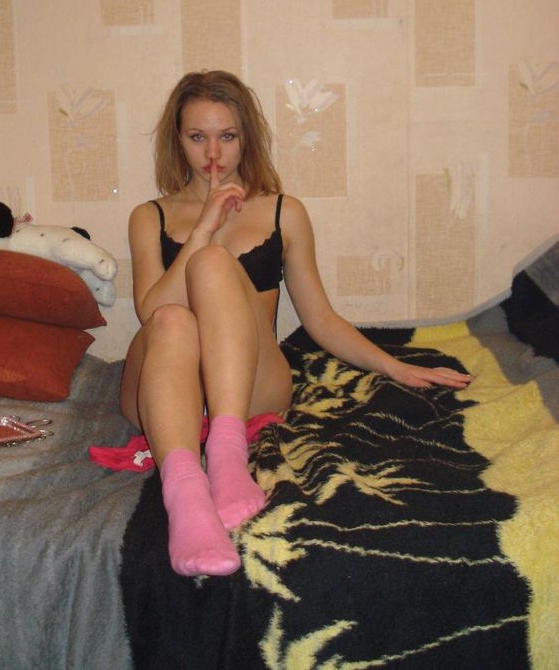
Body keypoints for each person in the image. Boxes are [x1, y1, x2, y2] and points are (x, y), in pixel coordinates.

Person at [120, 70, 470, 578]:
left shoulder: (283, 212)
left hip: (251, 385)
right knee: (174, 316)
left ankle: (226, 453)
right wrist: (203, 230)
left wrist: (393, 366)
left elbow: (319, 317)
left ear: (246, 137)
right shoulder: (149, 216)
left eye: (227, 136)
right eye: (197, 136)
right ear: (178, 140)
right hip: (165, 386)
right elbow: (150, 311)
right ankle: (185, 492)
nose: (213, 153)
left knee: (215, 265)